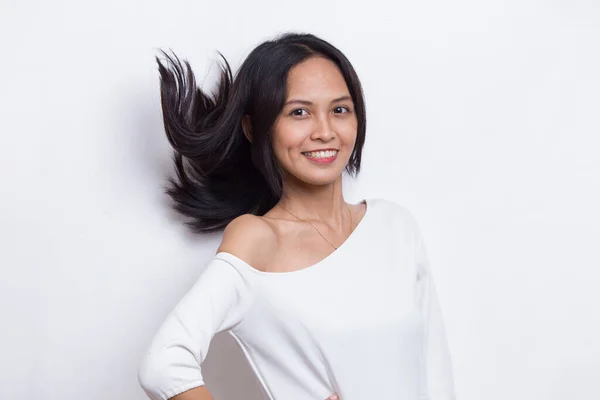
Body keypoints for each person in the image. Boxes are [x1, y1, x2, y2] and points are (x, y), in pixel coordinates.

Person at [137, 32, 456, 400]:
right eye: (299, 112)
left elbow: (438, 377)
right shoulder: (258, 239)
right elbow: (164, 363)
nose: (324, 132)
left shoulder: (396, 226)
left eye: (339, 110)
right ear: (254, 127)